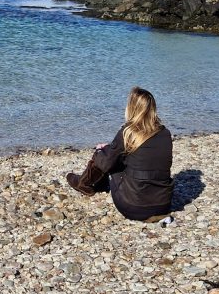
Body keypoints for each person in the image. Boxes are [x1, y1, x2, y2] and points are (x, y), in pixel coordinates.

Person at [66, 86, 174, 221]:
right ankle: (96, 183)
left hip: (134, 207)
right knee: (119, 156)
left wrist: (102, 150)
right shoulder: (165, 133)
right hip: (163, 205)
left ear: (131, 108)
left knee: (104, 156)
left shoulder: (129, 132)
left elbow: (106, 163)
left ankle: (83, 183)